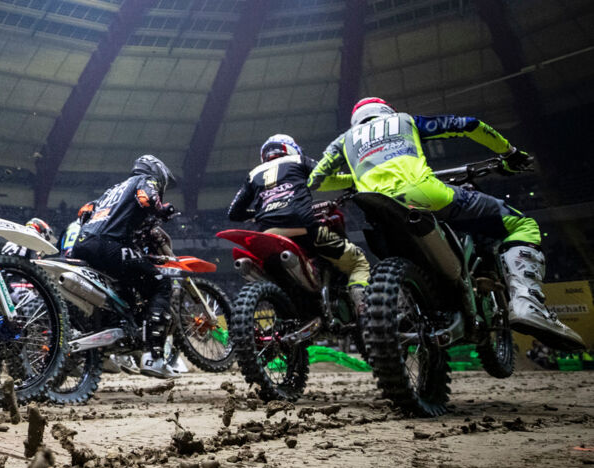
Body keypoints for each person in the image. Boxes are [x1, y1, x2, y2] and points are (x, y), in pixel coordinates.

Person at [309, 97, 583, 349]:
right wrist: (509, 152)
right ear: (386, 111)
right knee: (521, 225)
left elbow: (316, 181)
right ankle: (527, 302)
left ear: (356, 120)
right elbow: (468, 125)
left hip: (376, 207)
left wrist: (358, 177)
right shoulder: (404, 120)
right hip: (426, 195)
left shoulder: (343, 141)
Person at [228, 134, 370, 312]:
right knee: (358, 261)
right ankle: (365, 311)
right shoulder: (299, 160)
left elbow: (234, 213)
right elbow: (324, 177)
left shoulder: (253, 174)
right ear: (290, 148)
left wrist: (258, 213)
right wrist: (355, 181)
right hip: (304, 228)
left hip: (266, 234)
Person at [71, 155, 180, 378]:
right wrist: (163, 209)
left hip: (82, 243)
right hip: (109, 244)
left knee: (121, 292)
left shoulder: (112, 190)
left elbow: (84, 212)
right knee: (160, 283)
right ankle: (154, 357)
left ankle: (101, 350)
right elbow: (147, 199)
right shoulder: (146, 180)